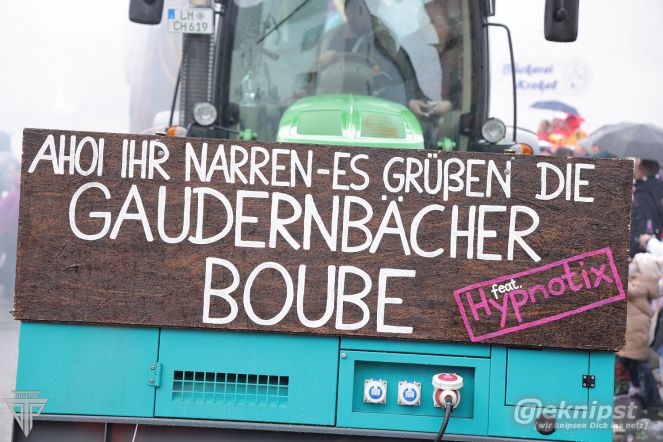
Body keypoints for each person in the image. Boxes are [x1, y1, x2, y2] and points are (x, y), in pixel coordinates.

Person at [616, 252, 663, 412]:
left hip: (633, 336)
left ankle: (653, 402)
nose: (632, 266)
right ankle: (647, 398)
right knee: (636, 366)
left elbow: (622, 286)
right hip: (635, 335)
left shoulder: (639, 286)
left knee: (636, 366)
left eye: (636, 264)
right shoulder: (645, 284)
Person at [631, 159, 663, 257]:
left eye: (636, 168)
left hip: (642, 243)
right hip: (658, 240)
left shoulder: (642, 192)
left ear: (641, 171)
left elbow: (639, 221)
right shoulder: (659, 187)